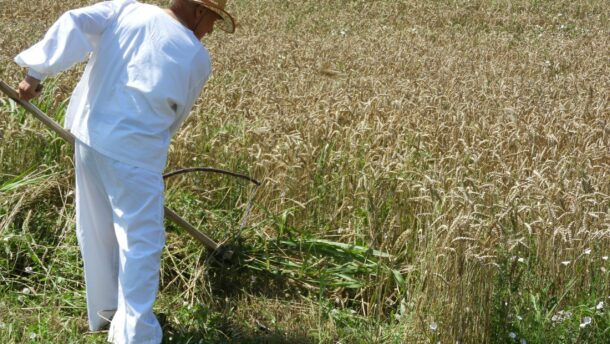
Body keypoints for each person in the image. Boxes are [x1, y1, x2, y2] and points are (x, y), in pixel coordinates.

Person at [14, 0, 235, 343]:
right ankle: (136, 335)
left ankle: (106, 314)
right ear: (198, 12)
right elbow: (175, 117)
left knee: (97, 228)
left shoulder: (126, 9)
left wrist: (35, 73)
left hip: (88, 138)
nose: (210, 31)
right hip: (135, 154)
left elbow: (75, 22)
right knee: (141, 245)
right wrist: (148, 146)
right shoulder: (196, 57)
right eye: (213, 22)